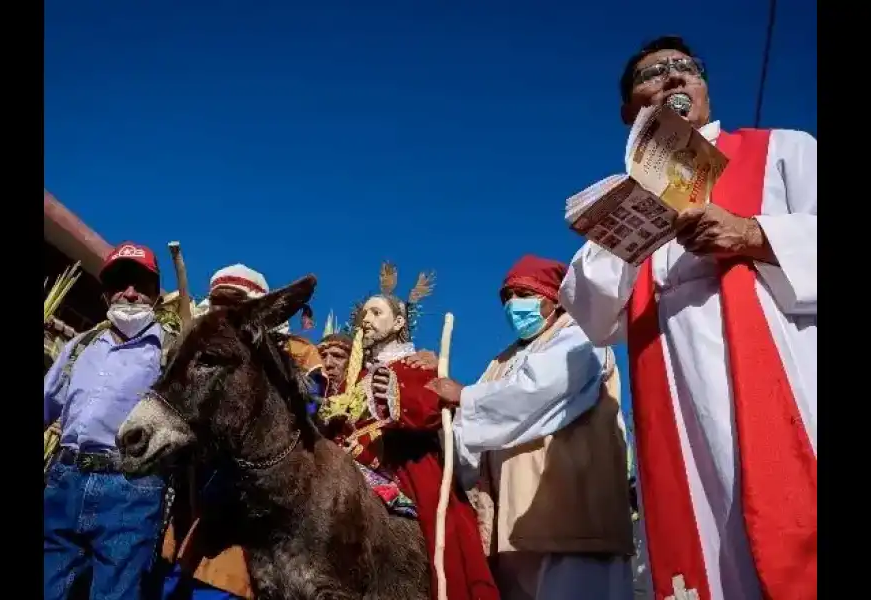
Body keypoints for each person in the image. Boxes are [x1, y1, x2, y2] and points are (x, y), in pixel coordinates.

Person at [559, 36, 816, 600]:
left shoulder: (784, 151)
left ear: (703, 86)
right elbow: (594, 314)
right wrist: (634, 212)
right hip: (680, 411)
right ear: (632, 110)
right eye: (654, 74)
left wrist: (755, 234)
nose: (674, 78)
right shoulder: (623, 194)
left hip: (793, 390)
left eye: (686, 69)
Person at [429, 255, 634, 600]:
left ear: (552, 298)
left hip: (572, 521)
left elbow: (536, 392)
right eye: (507, 297)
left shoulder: (582, 339)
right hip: (510, 525)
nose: (513, 305)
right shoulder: (500, 363)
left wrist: (463, 394)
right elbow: (472, 430)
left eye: (522, 293)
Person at [318, 263, 499, 600]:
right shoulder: (354, 377)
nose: (366, 319)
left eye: (377, 312)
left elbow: (429, 408)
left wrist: (394, 396)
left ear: (399, 322)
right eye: (364, 313)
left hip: (408, 466)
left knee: (439, 548)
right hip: (356, 466)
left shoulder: (415, 363)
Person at [159, 264, 323, 600]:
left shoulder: (299, 352)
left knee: (225, 577)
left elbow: (307, 411)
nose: (223, 312)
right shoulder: (191, 349)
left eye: (235, 304)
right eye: (218, 301)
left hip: (257, 492)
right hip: (194, 484)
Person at [44, 242, 173, 600]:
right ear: (105, 294)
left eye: (140, 284)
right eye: (120, 282)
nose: (129, 293)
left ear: (156, 296)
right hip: (64, 483)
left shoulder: (170, 353)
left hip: (131, 489)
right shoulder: (80, 346)